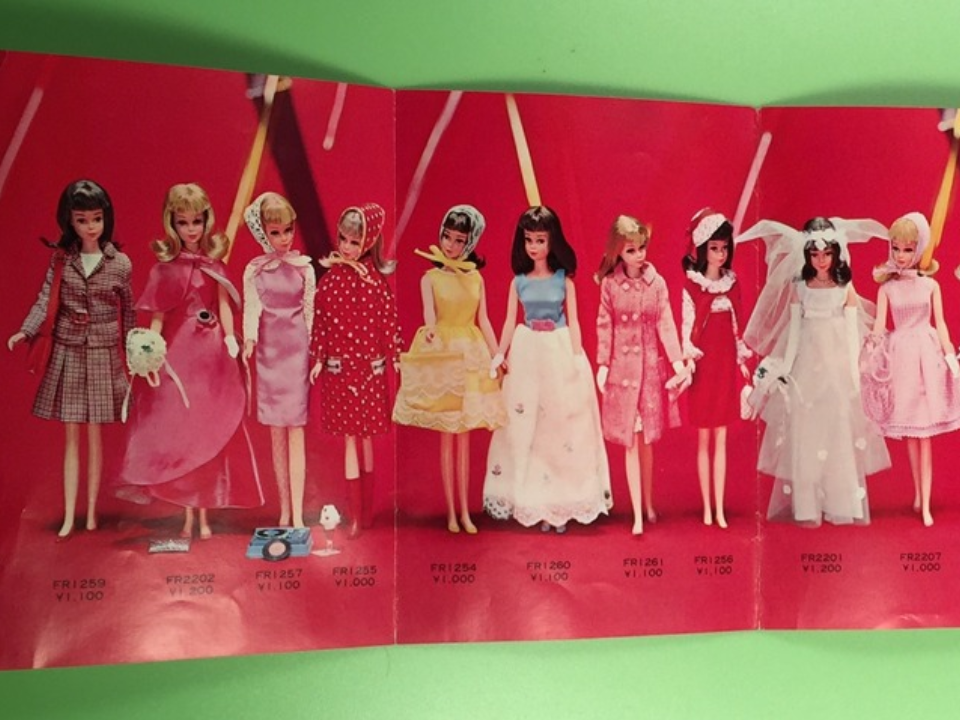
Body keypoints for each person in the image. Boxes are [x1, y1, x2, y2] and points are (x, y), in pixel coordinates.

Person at [117, 183, 262, 538]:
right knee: (183, 432)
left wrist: (230, 338)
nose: (191, 229)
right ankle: (186, 517)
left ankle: (205, 516)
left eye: (196, 221)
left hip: (212, 357)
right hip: (179, 358)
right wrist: (149, 349)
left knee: (208, 430)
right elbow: (158, 316)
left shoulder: (215, 265)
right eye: (183, 222)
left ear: (206, 220)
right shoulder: (165, 269)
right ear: (172, 224)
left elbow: (224, 304)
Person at [741, 216, 890, 526]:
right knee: (806, 427)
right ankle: (807, 506)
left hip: (837, 361)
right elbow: (795, 331)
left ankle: (840, 503)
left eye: (826, 254)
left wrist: (855, 373)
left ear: (836, 253)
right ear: (806, 255)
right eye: (815, 254)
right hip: (808, 362)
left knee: (838, 426)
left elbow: (852, 332)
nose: (821, 260)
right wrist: (785, 367)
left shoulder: (844, 287)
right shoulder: (801, 287)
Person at [8, 179, 135, 540]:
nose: (91, 226)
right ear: (70, 221)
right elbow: (45, 299)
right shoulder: (63, 259)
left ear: (106, 219)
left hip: (103, 351)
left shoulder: (120, 263)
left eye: (96, 218)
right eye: (82, 220)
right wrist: (26, 330)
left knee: (95, 436)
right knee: (71, 438)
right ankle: (69, 515)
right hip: (68, 349)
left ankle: (91, 512)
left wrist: (133, 350)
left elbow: (128, 310)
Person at [483, 205, 611, 533]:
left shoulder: (563, 281)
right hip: (528, 352)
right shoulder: (519, 283)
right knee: (530, 428)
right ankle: (536, 502)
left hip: (557, 347)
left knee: (560, 426)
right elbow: (509, 321)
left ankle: (562, 503)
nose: (534, 246)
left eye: (540, 240)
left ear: (552, 241)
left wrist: (577, 356)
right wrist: (499, 354)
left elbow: (575, 322)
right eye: (529, 240)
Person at [393, 205, 506, 533]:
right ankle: (451, 513)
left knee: (464, 436)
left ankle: (465, 511)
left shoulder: (475, 278)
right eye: (447, 237)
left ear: (469, 243)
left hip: (471, 355)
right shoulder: (430, 278)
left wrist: (498, 354)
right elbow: (430, 317)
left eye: (459, 240)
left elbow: (484, 319)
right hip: (445, 354)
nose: (451, 245)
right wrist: (430, 333)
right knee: (448, 433)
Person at [861, 212, 960, 526]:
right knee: (911, 431)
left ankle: (926, 503)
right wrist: (869, 352)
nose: (901, 255)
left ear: (919, 250)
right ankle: (918, 493)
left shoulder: (930, 285)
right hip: (902, 357)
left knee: (925, 434)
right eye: (896, 248)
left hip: (927, 357)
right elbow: (879, 327)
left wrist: (949, 355)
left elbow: (940, 323)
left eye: (908, 249)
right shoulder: (887, 289)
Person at [310, 203, 400, 538]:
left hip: (370, 369)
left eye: (354, 242)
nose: (346, 247)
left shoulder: (376, 284)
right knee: (350, 438)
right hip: (340, 368)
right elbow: (320, 323)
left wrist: (395, 356)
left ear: (368, 243)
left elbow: (388, 323)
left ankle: (368, 509)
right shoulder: (329, 282)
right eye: (343, 240)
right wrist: (318, 358)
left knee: (367, 439)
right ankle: (355, 516)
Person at [595, 215, 688, 534]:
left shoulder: (656, 283)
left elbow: (666, 322)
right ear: (618, 252)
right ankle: (636, 512)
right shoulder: (610, 285)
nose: (638, 255)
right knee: (631, 442)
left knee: (647, 440)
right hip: (622, 371)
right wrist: (602, 364)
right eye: (631, 250)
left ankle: (648, 502)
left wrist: (676, 362)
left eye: (641, 248)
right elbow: (604, 325)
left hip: (648, 372)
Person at [242, 192, 316, 528]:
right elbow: (252, 309)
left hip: (297, 352)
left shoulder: (304, 268)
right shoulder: (255, 270)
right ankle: (283, 508)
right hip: (270, 354)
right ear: (262, 232)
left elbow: (310, 311)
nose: (284, 238)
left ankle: (298, 512)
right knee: (276, 432)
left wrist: (315, 349)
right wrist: (249, 339)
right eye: (276, 232)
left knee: (296, 430)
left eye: (288, 230)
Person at [680, 209, 751, 528]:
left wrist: (743, 361)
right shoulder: (692, 287)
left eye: (724, 248)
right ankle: (707, 507)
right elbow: (687, 327)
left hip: (725, 365)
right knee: (704, 437)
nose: (720, 254)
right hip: (703, 364)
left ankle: (719, 507)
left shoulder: (732, 284)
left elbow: (738, 327)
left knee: (721, 435)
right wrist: (688, 359)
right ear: (702, 248)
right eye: (714, 248)